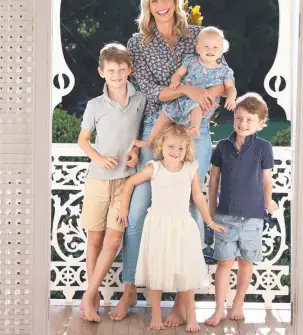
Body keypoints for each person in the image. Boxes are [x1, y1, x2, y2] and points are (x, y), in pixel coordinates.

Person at [109, 0, 227, 323]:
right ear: (147, 6)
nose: (161, 4)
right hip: (155, 127)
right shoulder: (138, 43)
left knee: (192, 210)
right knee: (141, 207)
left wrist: (204, 93)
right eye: (154, 0)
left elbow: (219, 78)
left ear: (174, 1)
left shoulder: (198, 34)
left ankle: (182, 299)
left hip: (196, 128)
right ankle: (130, 287)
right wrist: (188, 88)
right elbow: (149, 90)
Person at [117, 124, 226, 332]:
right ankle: (156, 316)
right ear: (161, 145)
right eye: (171, 147)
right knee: (156, 271)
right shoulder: (154, 167)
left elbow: (197, 197)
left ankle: (191, 317)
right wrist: (124, 209)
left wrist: (209, 222)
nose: (175, 152)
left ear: (187, 150)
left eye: (180, 149)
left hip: (183, 226)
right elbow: (130, 182)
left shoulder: (189, 169)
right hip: (158, 226)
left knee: (185, 272)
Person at [78, 43, 146, 322]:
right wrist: (98, 156)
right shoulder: (95, 105)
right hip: (98, 179)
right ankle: (92, 298)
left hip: (125, 182)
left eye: (121, 70)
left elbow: (144, 133)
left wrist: (137, 151)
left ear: (129, 70)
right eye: (111, 71)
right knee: (94, 239)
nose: (116, 75)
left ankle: (87, 294)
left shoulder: (140, 99)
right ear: (101, 72)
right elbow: (83, 140)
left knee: (114, 238)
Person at [205, 92, 279, 326]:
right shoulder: (223, 147)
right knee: (224, 263)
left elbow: (267, 179)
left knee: (246, 262)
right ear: (234, 117)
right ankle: (219, 309)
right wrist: (211, 210)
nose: (243, 124)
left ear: (260, 123)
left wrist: (269, 201)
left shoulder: (264, 148)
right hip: (225, 216)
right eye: (239, 118)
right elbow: (214, 180)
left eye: (249, 120)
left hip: (253, 217)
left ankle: (238, 304)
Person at [134, 26, 236, 147]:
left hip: (200, 102)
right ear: (198, 47)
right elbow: (178, 73)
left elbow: (230, 88)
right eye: (206, 46)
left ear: (222, 50)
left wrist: (231, 98)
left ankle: (195, 128)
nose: (210, 50)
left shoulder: (224, 71)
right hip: (181, 100)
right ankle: (150, 141)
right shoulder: (191, 61)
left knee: (195, 107)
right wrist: (175, 81)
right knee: (164, 114)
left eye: (215, 47)